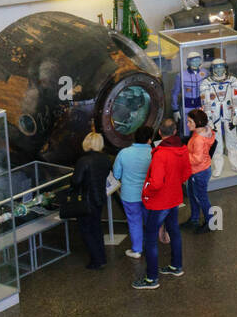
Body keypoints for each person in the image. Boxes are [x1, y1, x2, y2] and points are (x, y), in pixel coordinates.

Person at [134, 118, 190, 290]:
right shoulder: (182, 149)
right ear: (174, 132)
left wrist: (146, 190)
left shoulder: (160, 154)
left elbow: (156, 183)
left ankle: (151, 279)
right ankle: (176, 266)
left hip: (160, 203)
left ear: (159, 133)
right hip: (174, 198)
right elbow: (186, 172)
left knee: (150, 238)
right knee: (174, 231)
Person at [73, 131, 114, 270]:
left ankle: (96, 260)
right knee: (97, 228)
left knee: (86, 230)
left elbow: (76, 181)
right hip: (100, 198)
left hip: (86, 199)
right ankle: (102, 257)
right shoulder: (105, 159)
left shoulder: (83, 160)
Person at [112, 125, 153, 259]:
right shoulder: (153, 153)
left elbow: (116, 175)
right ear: (149, 140)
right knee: (150, 220)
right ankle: (151, 246)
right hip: (149, 194)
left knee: (134, 221)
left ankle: (136, 249)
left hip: (129, 195)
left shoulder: (124, 153)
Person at [183, 109, 214, 234]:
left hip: (199, 172)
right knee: (192, 195)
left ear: (198, 122)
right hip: (196, 171)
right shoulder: (200, 132)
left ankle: (210, 222)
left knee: (201, 198)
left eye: (190, 122)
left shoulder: (199, 139)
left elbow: (197, 159)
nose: (187, 124)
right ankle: (194, 219)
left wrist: (183, 154)